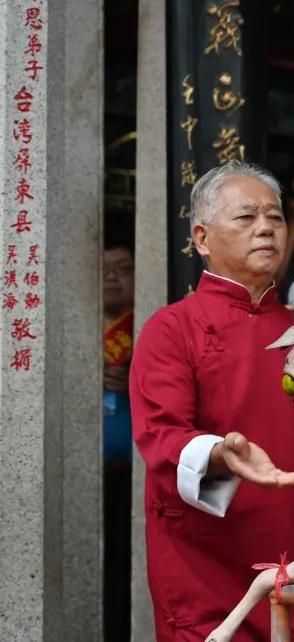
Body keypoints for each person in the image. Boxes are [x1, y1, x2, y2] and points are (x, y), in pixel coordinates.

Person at [130, 162, 294, 641]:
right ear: (201, 238)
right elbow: (162, 436)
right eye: (246, 217)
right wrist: (221, 453)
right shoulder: (172, 328)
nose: (265, 228)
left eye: (275, 217)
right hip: (204, 573)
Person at [103, 228, 135, 642]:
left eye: (123, 269)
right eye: (104, 269)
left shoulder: (150, 330)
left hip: (132, 475)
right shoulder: (74, 333)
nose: (112, 278)